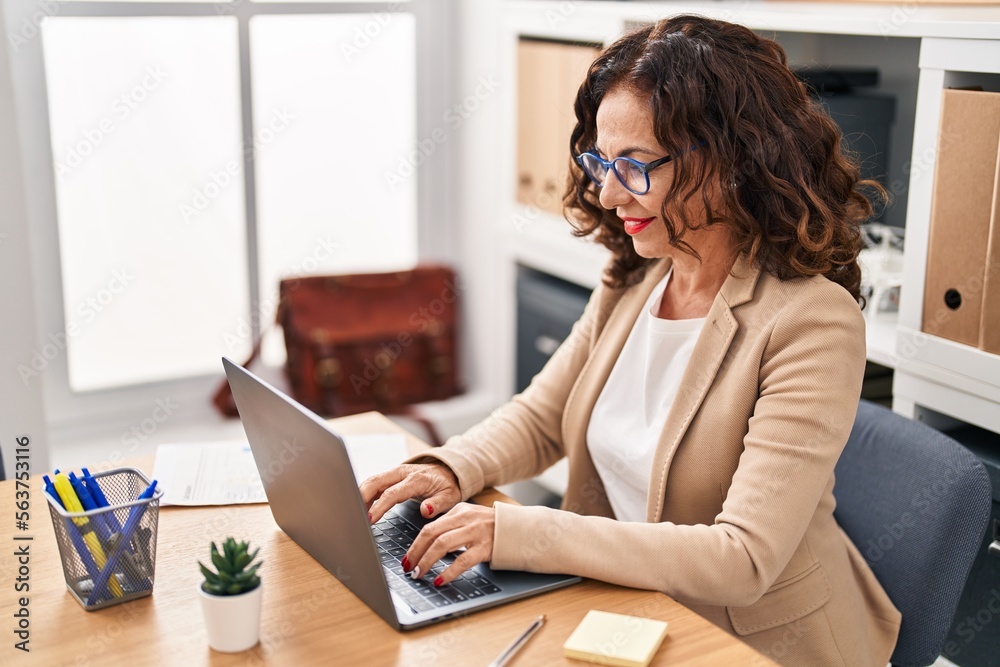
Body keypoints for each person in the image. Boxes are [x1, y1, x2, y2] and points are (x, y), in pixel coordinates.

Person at [361, 15, 901, 667]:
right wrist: (448, 467)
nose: (610, 193)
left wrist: (517, 531)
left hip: (750, 639)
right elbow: (543, 418)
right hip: (639, 607)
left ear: (732, 160)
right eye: (601, 161)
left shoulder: (812, 322)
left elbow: (743, 557)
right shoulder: (644, 271)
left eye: (636, 166)